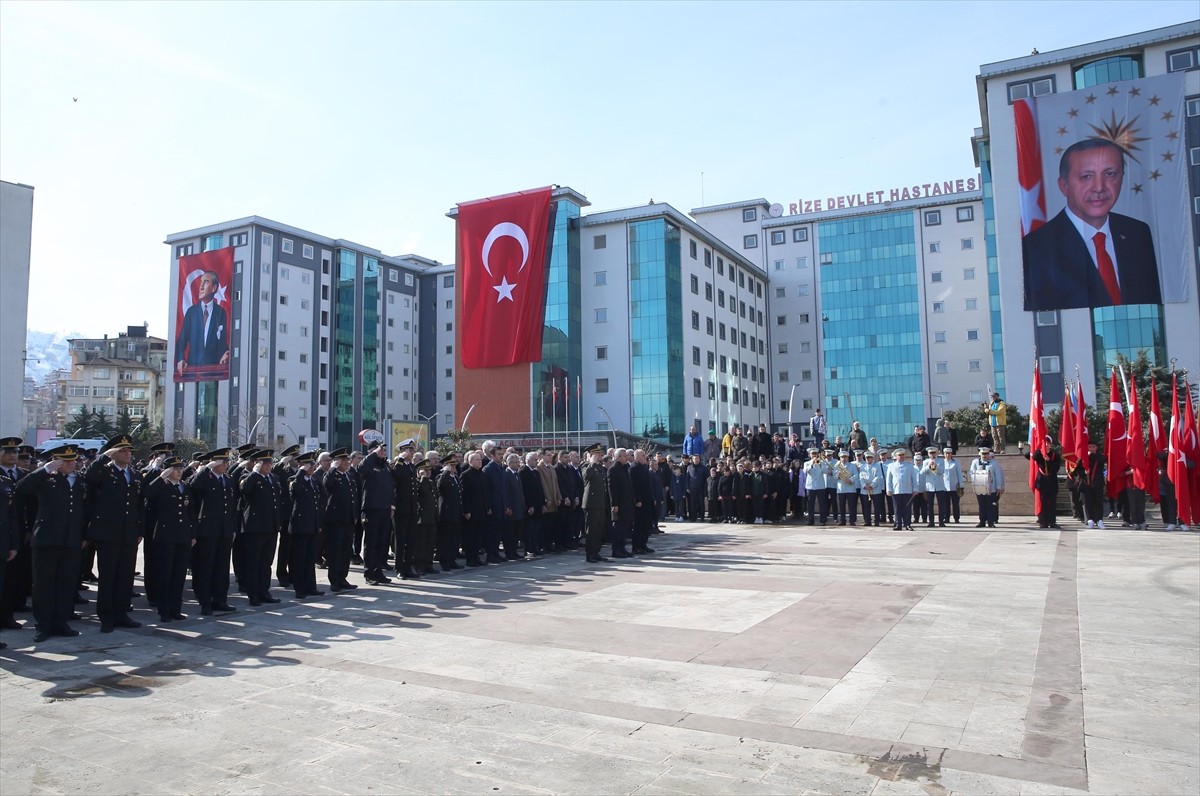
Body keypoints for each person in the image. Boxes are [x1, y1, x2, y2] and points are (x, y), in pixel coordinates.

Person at [1022, 138, 1161, 311]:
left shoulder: (1138, 233)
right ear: (1064, 186)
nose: (1099, 187)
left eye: (1110, 174)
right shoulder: (1036, 248)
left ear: (1122, 178)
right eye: (1086, 177)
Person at [18, 445, 87, 642]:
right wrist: (45, 469)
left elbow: (86, 508)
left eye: (73, 460)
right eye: (66, 461)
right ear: (56, 461)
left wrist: (84, 535)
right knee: (43, 585)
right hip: (47, 540)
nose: (71, 463)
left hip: (71, 540)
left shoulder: (79, 480)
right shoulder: (46, 479)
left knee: (66, 584)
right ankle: (43, 625)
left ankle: (61, 621)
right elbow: (22, 488)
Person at [84, 434, 144, 633]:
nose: (127, 454)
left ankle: (121, 613)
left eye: (129, 451)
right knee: (108, 575)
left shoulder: (134, 474)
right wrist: (103, 456)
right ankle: (106, 616)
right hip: (108, 533)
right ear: (113, 453)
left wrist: (139, 529)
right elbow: (89, 477)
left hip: (128, 533)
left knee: (125, 576)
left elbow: (138, 505)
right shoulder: (104, 471)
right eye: (122, 450)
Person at [144, 456, 197, 621]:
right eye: (175, 468)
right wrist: (161, 477)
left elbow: (191, 513)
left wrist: (193, 534)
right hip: (165, 536)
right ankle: (164, 610)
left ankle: (176, 609)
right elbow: (147, 493)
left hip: (183, 536)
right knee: (165, 574)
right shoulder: (161, 487)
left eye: (181, 468)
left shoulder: (184, 487)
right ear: (167, 470)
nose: (179, 471)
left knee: (179, 575)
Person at [188, 448, 239, 615]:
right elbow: (192, 485)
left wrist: (232, 528)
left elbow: (231, 505)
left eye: (226, 462)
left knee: (222, 567)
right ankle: (205, 601)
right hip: (208, 529)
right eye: (221, 462)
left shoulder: (228, 479)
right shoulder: (206, 477)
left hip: (224, 530)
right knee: (206, 566)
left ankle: (220, 600)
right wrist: (205, 469)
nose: (225, 465)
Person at [174, 270, 230, 374]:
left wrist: (227, 353)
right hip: (193, 370)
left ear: (214, 288)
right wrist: (181, 358)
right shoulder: (192, 312)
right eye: (200, 282)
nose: (201, 286)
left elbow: (222, 341)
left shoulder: (220, 313)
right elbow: (181, 341)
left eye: (206, 282)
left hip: (212, 370)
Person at [969, 448, 1005, 528]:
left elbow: (998, 475)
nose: (984, 456)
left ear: (988, 454)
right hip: (980, 488)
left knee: (990, 505)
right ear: (980, 454)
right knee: (981, 505)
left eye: (986, 454)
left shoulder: (994, 463)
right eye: (983, 454)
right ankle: (982, 521)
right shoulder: (975, 462)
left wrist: (998, 487)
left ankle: (990, 522)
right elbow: (971, 472)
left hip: (991, 488)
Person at [885, 449, 917, 531]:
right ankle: (898, 524)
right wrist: (889, 489)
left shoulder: (909, 466)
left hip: (907, 490)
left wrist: (915, 489)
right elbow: (888, 479)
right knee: (897, 509)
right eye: (899, 455)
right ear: (896, 457)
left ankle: (907, 524)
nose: (901, 457)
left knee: (907, 508)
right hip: (896, 490)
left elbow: (914, 478)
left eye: (903, 455)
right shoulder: (891, 466)